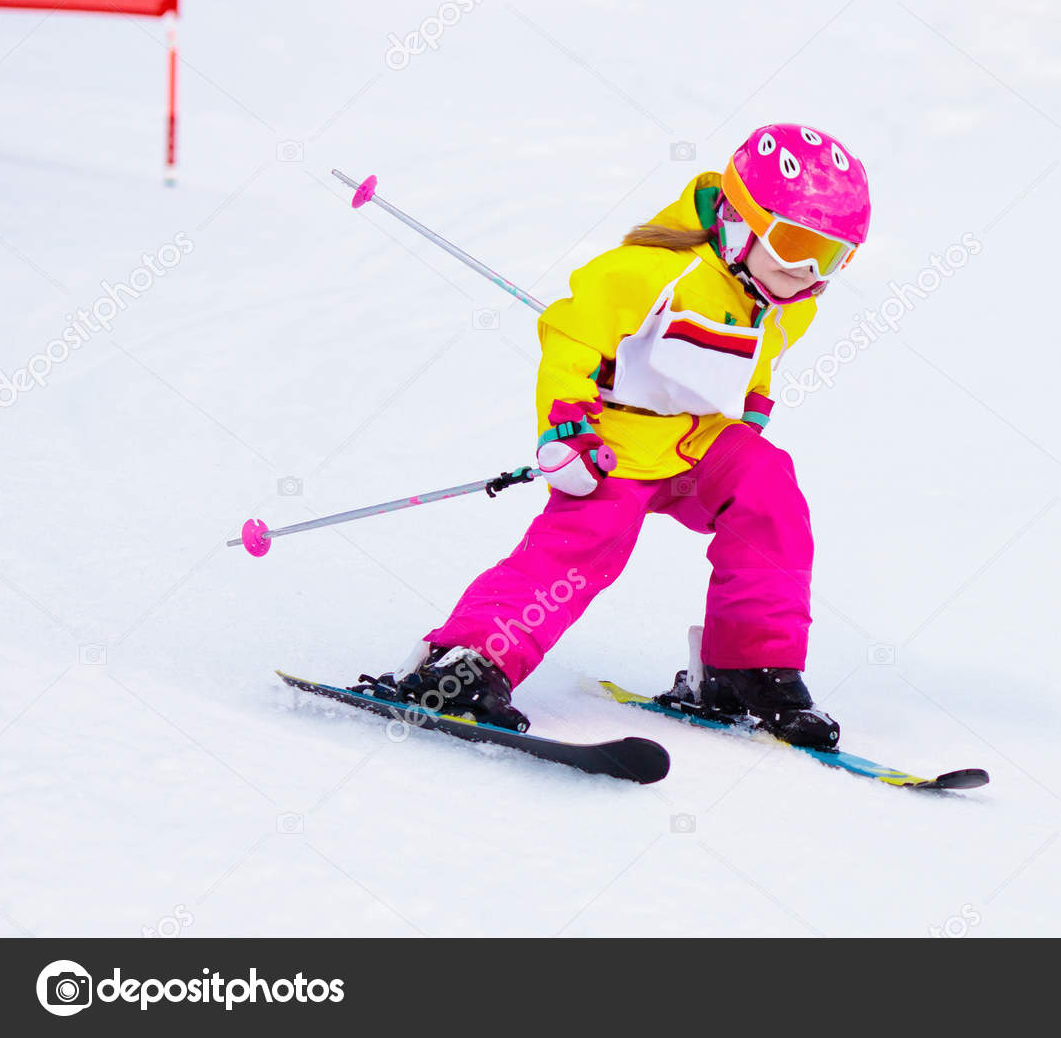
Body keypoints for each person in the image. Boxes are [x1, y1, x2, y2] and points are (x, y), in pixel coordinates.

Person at [355, 124, 870, 748]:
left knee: (769, 486)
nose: (809, 270)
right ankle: (469, 662)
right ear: (741, 220)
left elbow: (755, 361)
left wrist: (752, 411)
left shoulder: (792, 302)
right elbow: (569, 339)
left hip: (697, 445)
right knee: (589, 540)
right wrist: (567, 430)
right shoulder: (648, 273)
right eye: (795, 244)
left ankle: (747, 668)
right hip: (615, 445)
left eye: (833, 255)